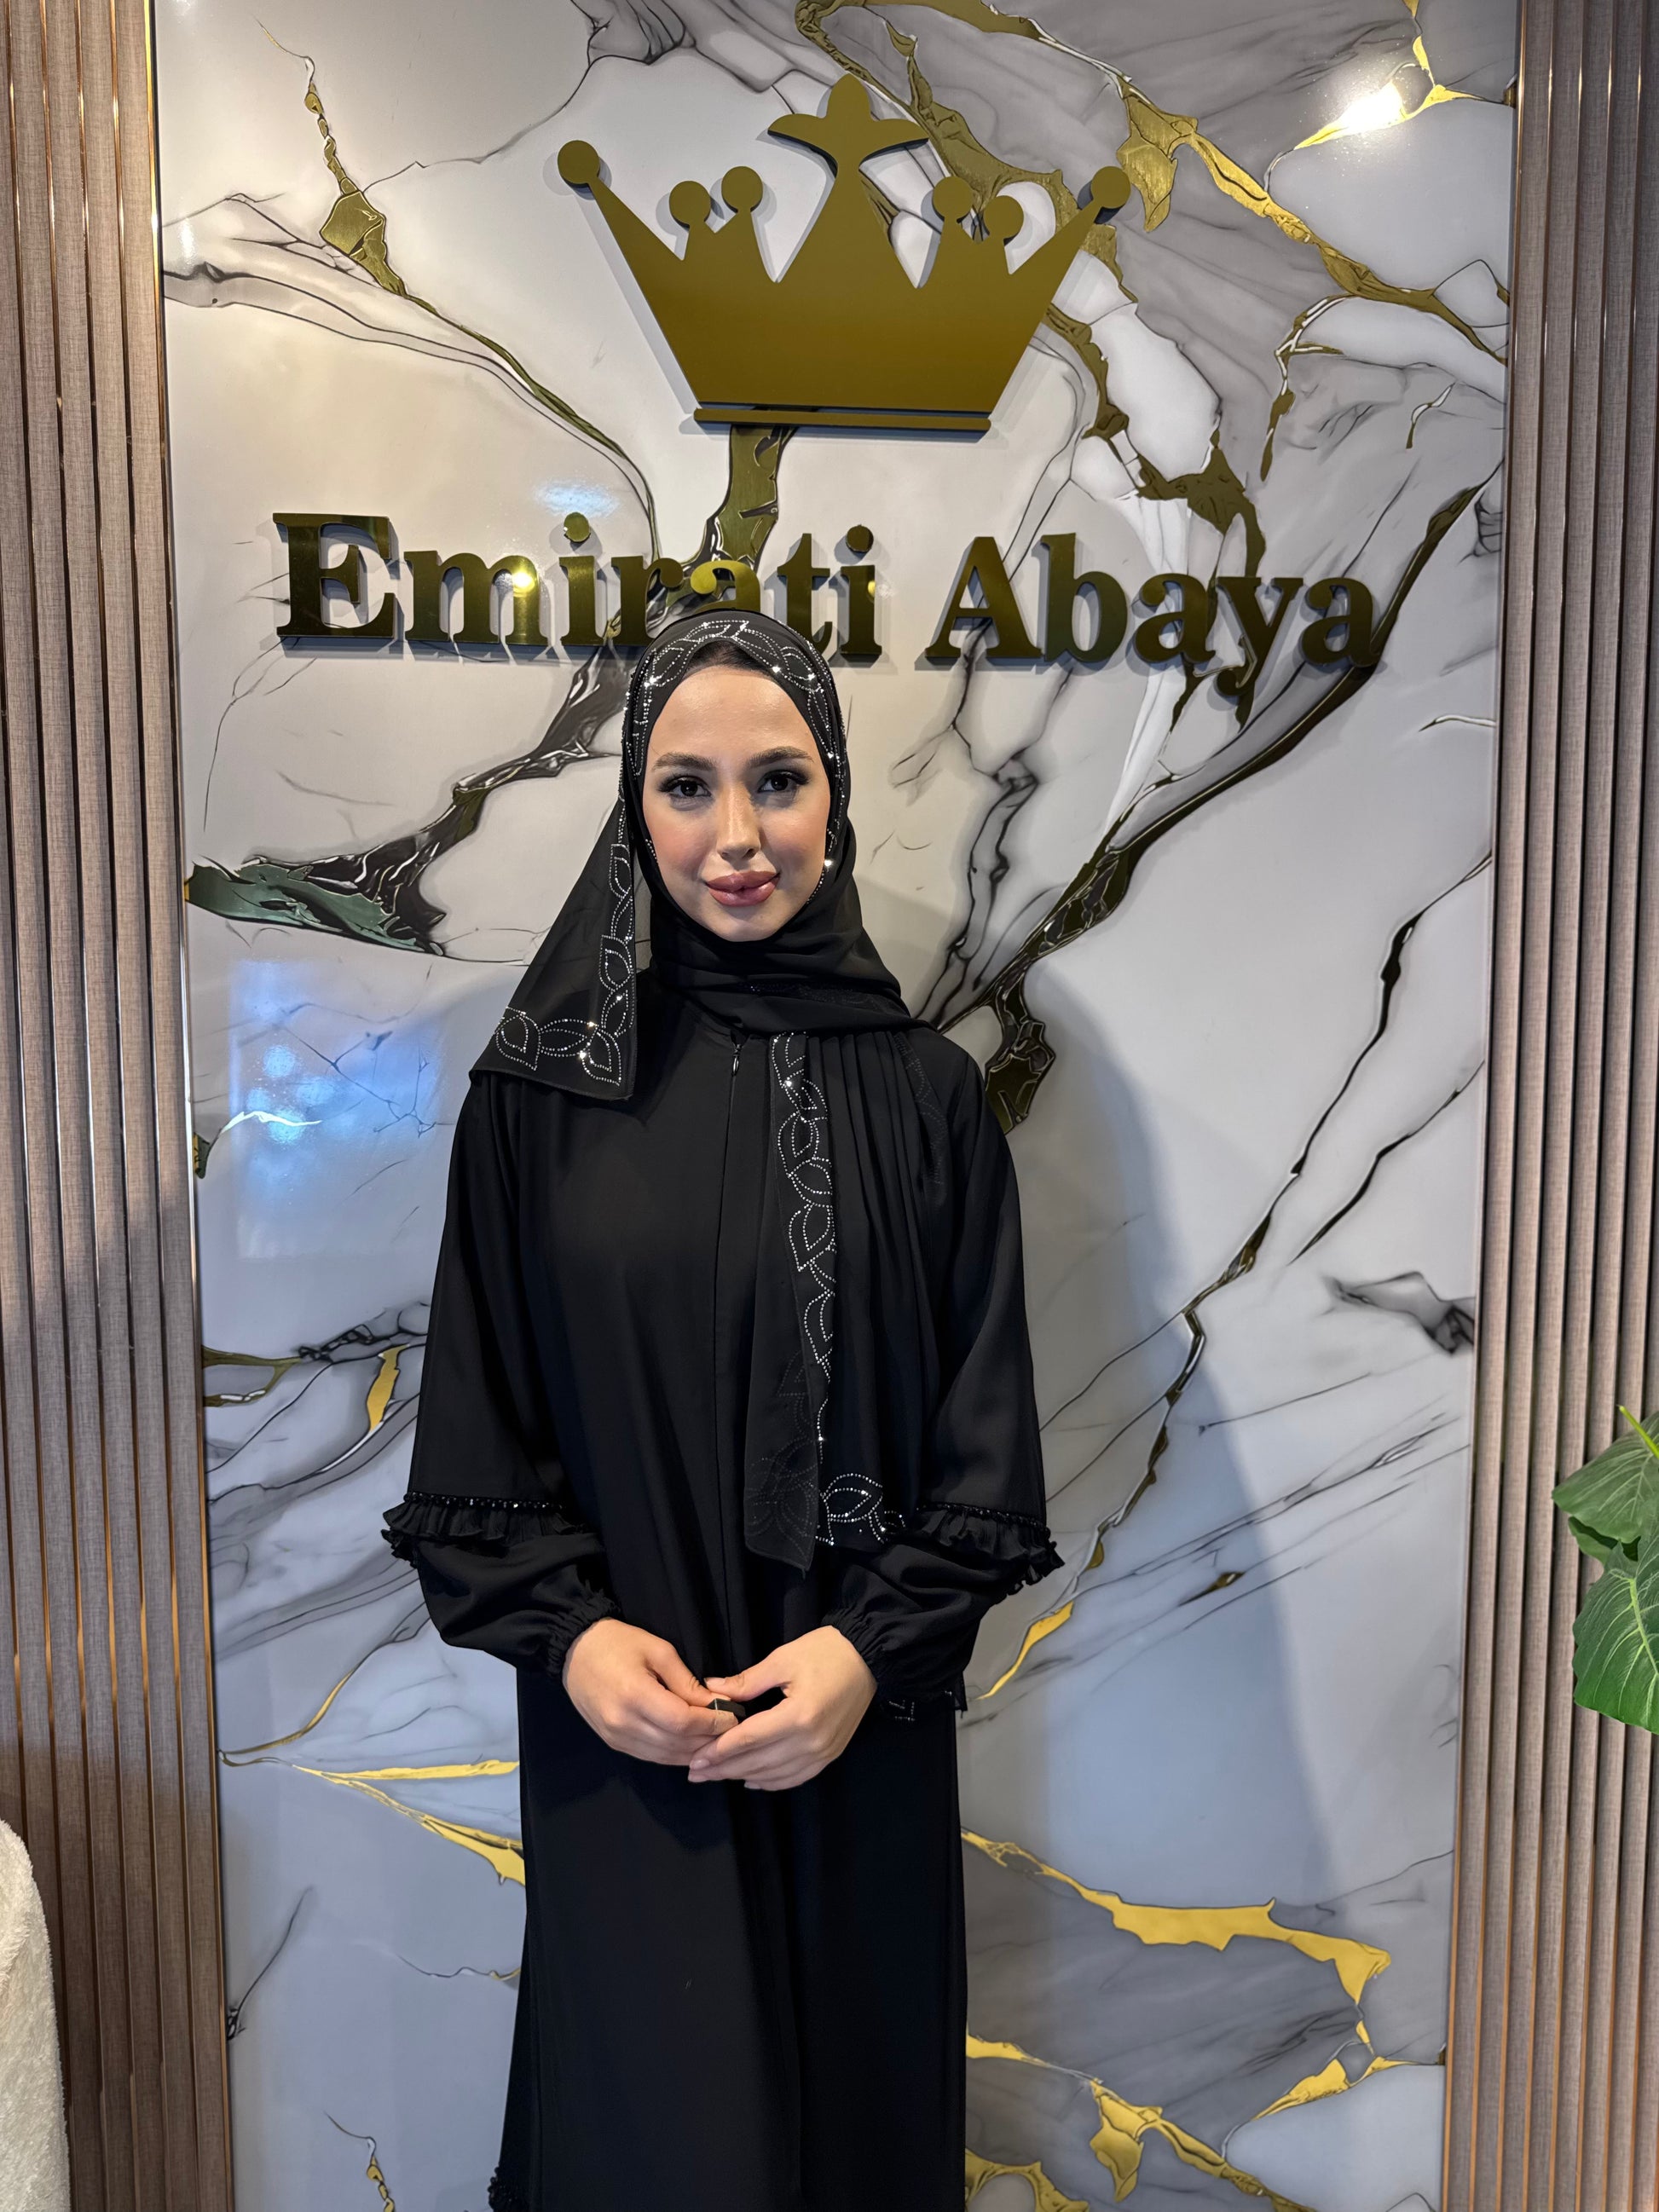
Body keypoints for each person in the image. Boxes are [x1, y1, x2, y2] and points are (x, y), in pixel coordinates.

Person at [384, 606, 1058, 2212]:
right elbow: (480, 1432)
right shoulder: (538, 1103)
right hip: (629, 1746)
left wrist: (860, 1658)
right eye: (685, 786)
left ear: (835, 794)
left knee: (851, 2136)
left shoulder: (929, 1101)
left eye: (778, 780)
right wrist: (576, 1646)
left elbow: (984, 1453)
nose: (736, 835)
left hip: (855, 1737)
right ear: (634, 807)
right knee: (655, 2145)